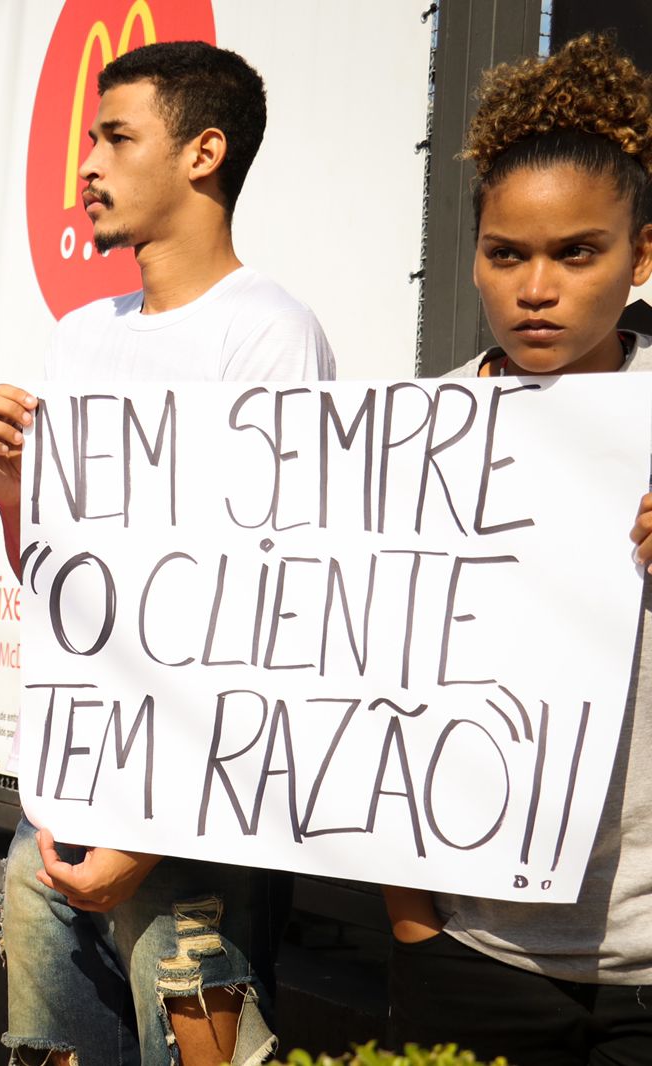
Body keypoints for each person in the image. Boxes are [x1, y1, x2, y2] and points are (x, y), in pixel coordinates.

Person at [0, 42, 336, 1066]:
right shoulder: (81, 335)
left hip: (196, 823)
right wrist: (4, 491)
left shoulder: (269, 334)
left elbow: (267, 605)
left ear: (203, 152)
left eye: (116, 137)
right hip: (64, 806)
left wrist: (148, 843)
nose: (86, 163)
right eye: (89, 136)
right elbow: (58, 574)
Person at [385, 34, 652, 1065]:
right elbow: (361, 693)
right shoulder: (408, 438)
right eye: (507, 253)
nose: (536, 286)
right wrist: (415, 925)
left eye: (576, 252)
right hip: (475, 950)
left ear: (639, 256)